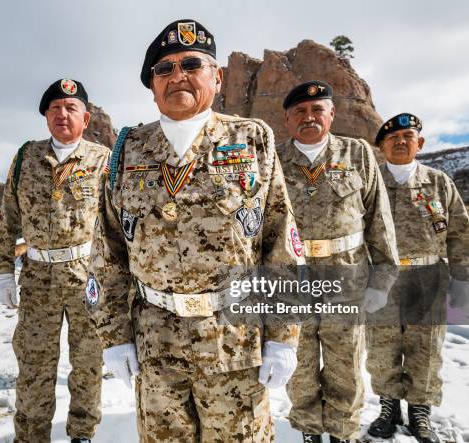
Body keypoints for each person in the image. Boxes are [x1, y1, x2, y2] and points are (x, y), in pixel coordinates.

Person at [87, 19, 305, 442]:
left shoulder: (250, 138)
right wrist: (113, 337)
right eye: (164, 69)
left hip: (235, 341)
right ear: (151, 85)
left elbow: (280, 242)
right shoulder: (128, 149)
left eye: (191, 64)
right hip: (155, 342)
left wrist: (283, 336)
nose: (177, 76)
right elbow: (107, 249)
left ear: (217, 77)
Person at [276, 81, 399, 443]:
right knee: (299, 369)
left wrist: (382, 282)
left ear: (332, 114)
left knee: (345, 368)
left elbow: (380, 220)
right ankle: (310, 433)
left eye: (318, 110)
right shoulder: (274, 160)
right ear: (287, 119)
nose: (309, 117)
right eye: (300, 111)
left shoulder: (357, 153)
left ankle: (343, 434)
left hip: (347, 282)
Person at [0, 79, 109, 443]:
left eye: (71, 108)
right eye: (55, 108)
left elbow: (118, 223)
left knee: (88, 364)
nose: (62, 114)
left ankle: (82, 434)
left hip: (86, 275)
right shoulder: (27, 156)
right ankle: (30, 436)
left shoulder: (104, 159)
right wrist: (2, 273)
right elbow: (9, 217)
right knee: (34, 366)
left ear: (85, 117)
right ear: (45, 116)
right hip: (38, 276)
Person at [366, 113, 469, 443]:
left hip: (428, 278)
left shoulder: (439, 182)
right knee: (382, 348)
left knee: (425, 349)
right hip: (380, 278)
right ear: (381, 146)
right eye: (392, 138)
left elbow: (459, 234)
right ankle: (388, 407)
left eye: (407, 136)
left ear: (420, 143)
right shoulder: (370, 183)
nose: (400, 142)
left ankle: (420, 412)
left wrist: (462, 279)